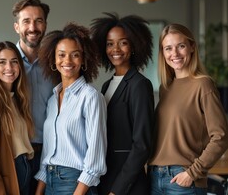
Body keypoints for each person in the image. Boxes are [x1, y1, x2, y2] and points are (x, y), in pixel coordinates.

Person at [0, 0, 54, 193]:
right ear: (16, 27)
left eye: (38, 21)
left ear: (45, 25)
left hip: (48, 157)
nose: (33, 27)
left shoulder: (55, 66)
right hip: (11, 159)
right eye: (26, 21)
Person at [148, 23, 228, 195]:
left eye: (181, 46)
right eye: (168, 48)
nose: (174, 53)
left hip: (183, 181)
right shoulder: (166, 88)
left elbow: (220, 137)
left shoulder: (203, 84)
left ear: (192, 47)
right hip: (155, 177)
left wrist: (193, 173)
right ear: (163, 53)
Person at [35, 23, 107, 195]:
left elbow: (95, 158)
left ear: (83, 60)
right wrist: (39, 192)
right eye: (61, 55)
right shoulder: (52, 100)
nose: (67, 61)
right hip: (49, 182)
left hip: (75, 184)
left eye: (75, 55)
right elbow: (48, 154)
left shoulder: (91, 97)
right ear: (53, 59)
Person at [90, 12, 155, 195]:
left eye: (123, 42)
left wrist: (117, 190)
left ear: (134, 45)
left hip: (128, 185)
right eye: (110, 43)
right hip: (105, 179)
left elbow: (142, 145)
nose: (115, 49)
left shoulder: (140, 85)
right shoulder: (105, 86)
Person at [0, 41, 34, 195]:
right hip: (11, 172)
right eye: (2, 62)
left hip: (26, 168)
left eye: (14, 62)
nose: (9, 68)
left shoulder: (17, 99)